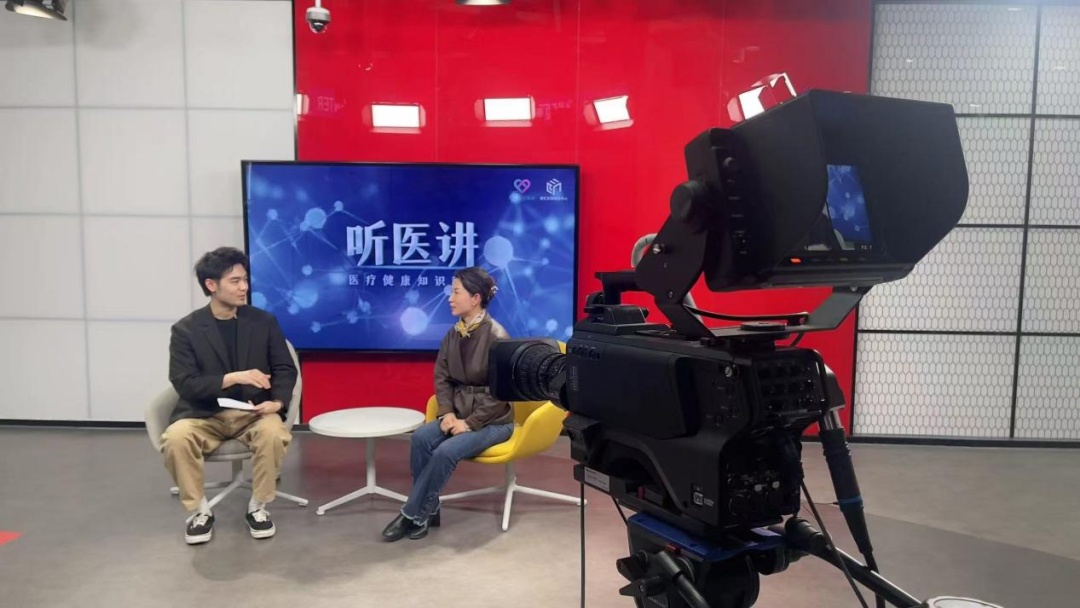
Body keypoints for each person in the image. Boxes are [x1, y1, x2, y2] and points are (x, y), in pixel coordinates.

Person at [161, 247, 297, 545]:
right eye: (235, 281)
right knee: (175, 438)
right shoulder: (186, 330)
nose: (244, 287)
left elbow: (285, 368)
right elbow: (185, 384)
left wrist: (276, 402)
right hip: (204, 414)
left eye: (245, 279)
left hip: (253, 413)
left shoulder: (263, 321)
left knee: (273, 433)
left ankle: (258, 506)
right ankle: (200, 511)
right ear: (211, 285)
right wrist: (233, 378)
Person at [381, 267, 515, 541]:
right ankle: (429, 511)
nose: (450, 298)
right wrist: (447, 413)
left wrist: (470, 423)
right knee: (421, 438)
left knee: (445, 451)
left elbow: (500, 394)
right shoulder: (453, 334)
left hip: (494, 421)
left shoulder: (498, 337)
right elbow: (442, 378)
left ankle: (411, 514)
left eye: (456, 292)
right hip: (459, 414)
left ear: (475, 298)